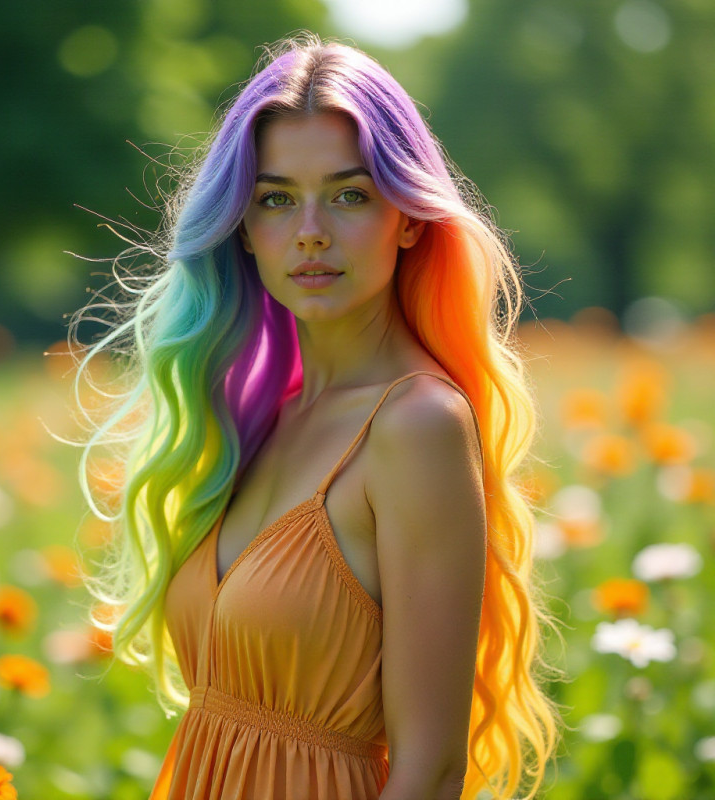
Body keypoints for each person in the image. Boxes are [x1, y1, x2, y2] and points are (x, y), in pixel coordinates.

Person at [71, 33, 562, 800]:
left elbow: (431, 770)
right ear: (242, 227)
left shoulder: (417, 426)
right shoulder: (261, 417)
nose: (310, 231)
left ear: (408, 216)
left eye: (349, 194)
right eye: (275, 198)